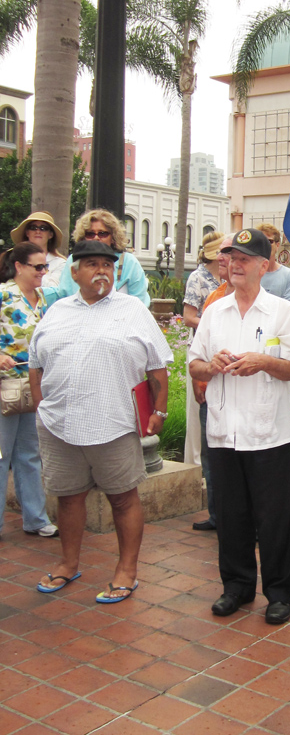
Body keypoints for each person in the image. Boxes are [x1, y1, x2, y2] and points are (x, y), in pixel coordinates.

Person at [31, 240, 172, 602]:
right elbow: (36, 363)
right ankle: (68, 564)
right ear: (74, 272)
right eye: (91, 264)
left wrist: (158, 411)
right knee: (67, 498)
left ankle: (127, 571)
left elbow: (158, 364)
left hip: (113, 423)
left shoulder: (132, 310)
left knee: (123, 498)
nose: (101, 271)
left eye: (108, 265)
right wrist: (41, 407)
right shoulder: (58, 310)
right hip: (59, 424)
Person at [189, 228, 290, 625]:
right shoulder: (214, 311)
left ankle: (278, 593)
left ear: (263, 265)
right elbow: (195, 363)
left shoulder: (282, 312)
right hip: (224, 429)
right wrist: (211, 366)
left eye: (243, 259)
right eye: (230, 258)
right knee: (232, 515)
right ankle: (236, 587)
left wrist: (264, 362)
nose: (234, 265)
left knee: (275, 518)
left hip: (268, 431)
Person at [0, 243, 58, 539]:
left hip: (37, 386)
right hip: (5, 387)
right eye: (38, 267)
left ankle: (36, 519)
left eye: (45, 266)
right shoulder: (2, 295)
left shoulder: (46, 299)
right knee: (1, 454)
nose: (43, 272)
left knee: (30, 454)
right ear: (19, 266)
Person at [190, 234, 233, 532]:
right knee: (211, 457)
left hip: (243, 399)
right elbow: (200, 351)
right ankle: (218, 516)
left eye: (229, 254)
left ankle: (241, 520)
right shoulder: (213, 299)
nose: (222, 259)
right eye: (220, 254)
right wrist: (198, 380)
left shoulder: (266, 303)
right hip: (211, 395)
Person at [43, 209, 150, 307]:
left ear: (113, 237)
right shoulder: (73, 260)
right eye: (90, 234)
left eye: (102, 233)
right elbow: (64, 294)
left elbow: (140, 303)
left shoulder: (129, 262)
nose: (96, 237)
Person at [183, 232, 222, 470]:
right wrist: (213, 326)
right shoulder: (197, 278)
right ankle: (194, 465)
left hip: (221, 350)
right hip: (201, 349)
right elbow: (188, 317)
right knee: (197, 407)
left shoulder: (228, 278)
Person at [11, 211, 67, 288]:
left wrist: (34, 270)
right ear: (27, 233)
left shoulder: (60, 263)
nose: (38, 231)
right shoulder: (13, 258)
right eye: (33, 228)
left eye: (43, 228)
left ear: (50, 234)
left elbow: (54, 289)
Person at [255, 223, 290, 305]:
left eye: (269, 241)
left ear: (277, 245)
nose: (265, 245)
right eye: (260, 242)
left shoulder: (289, 275)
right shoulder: (249, 274)